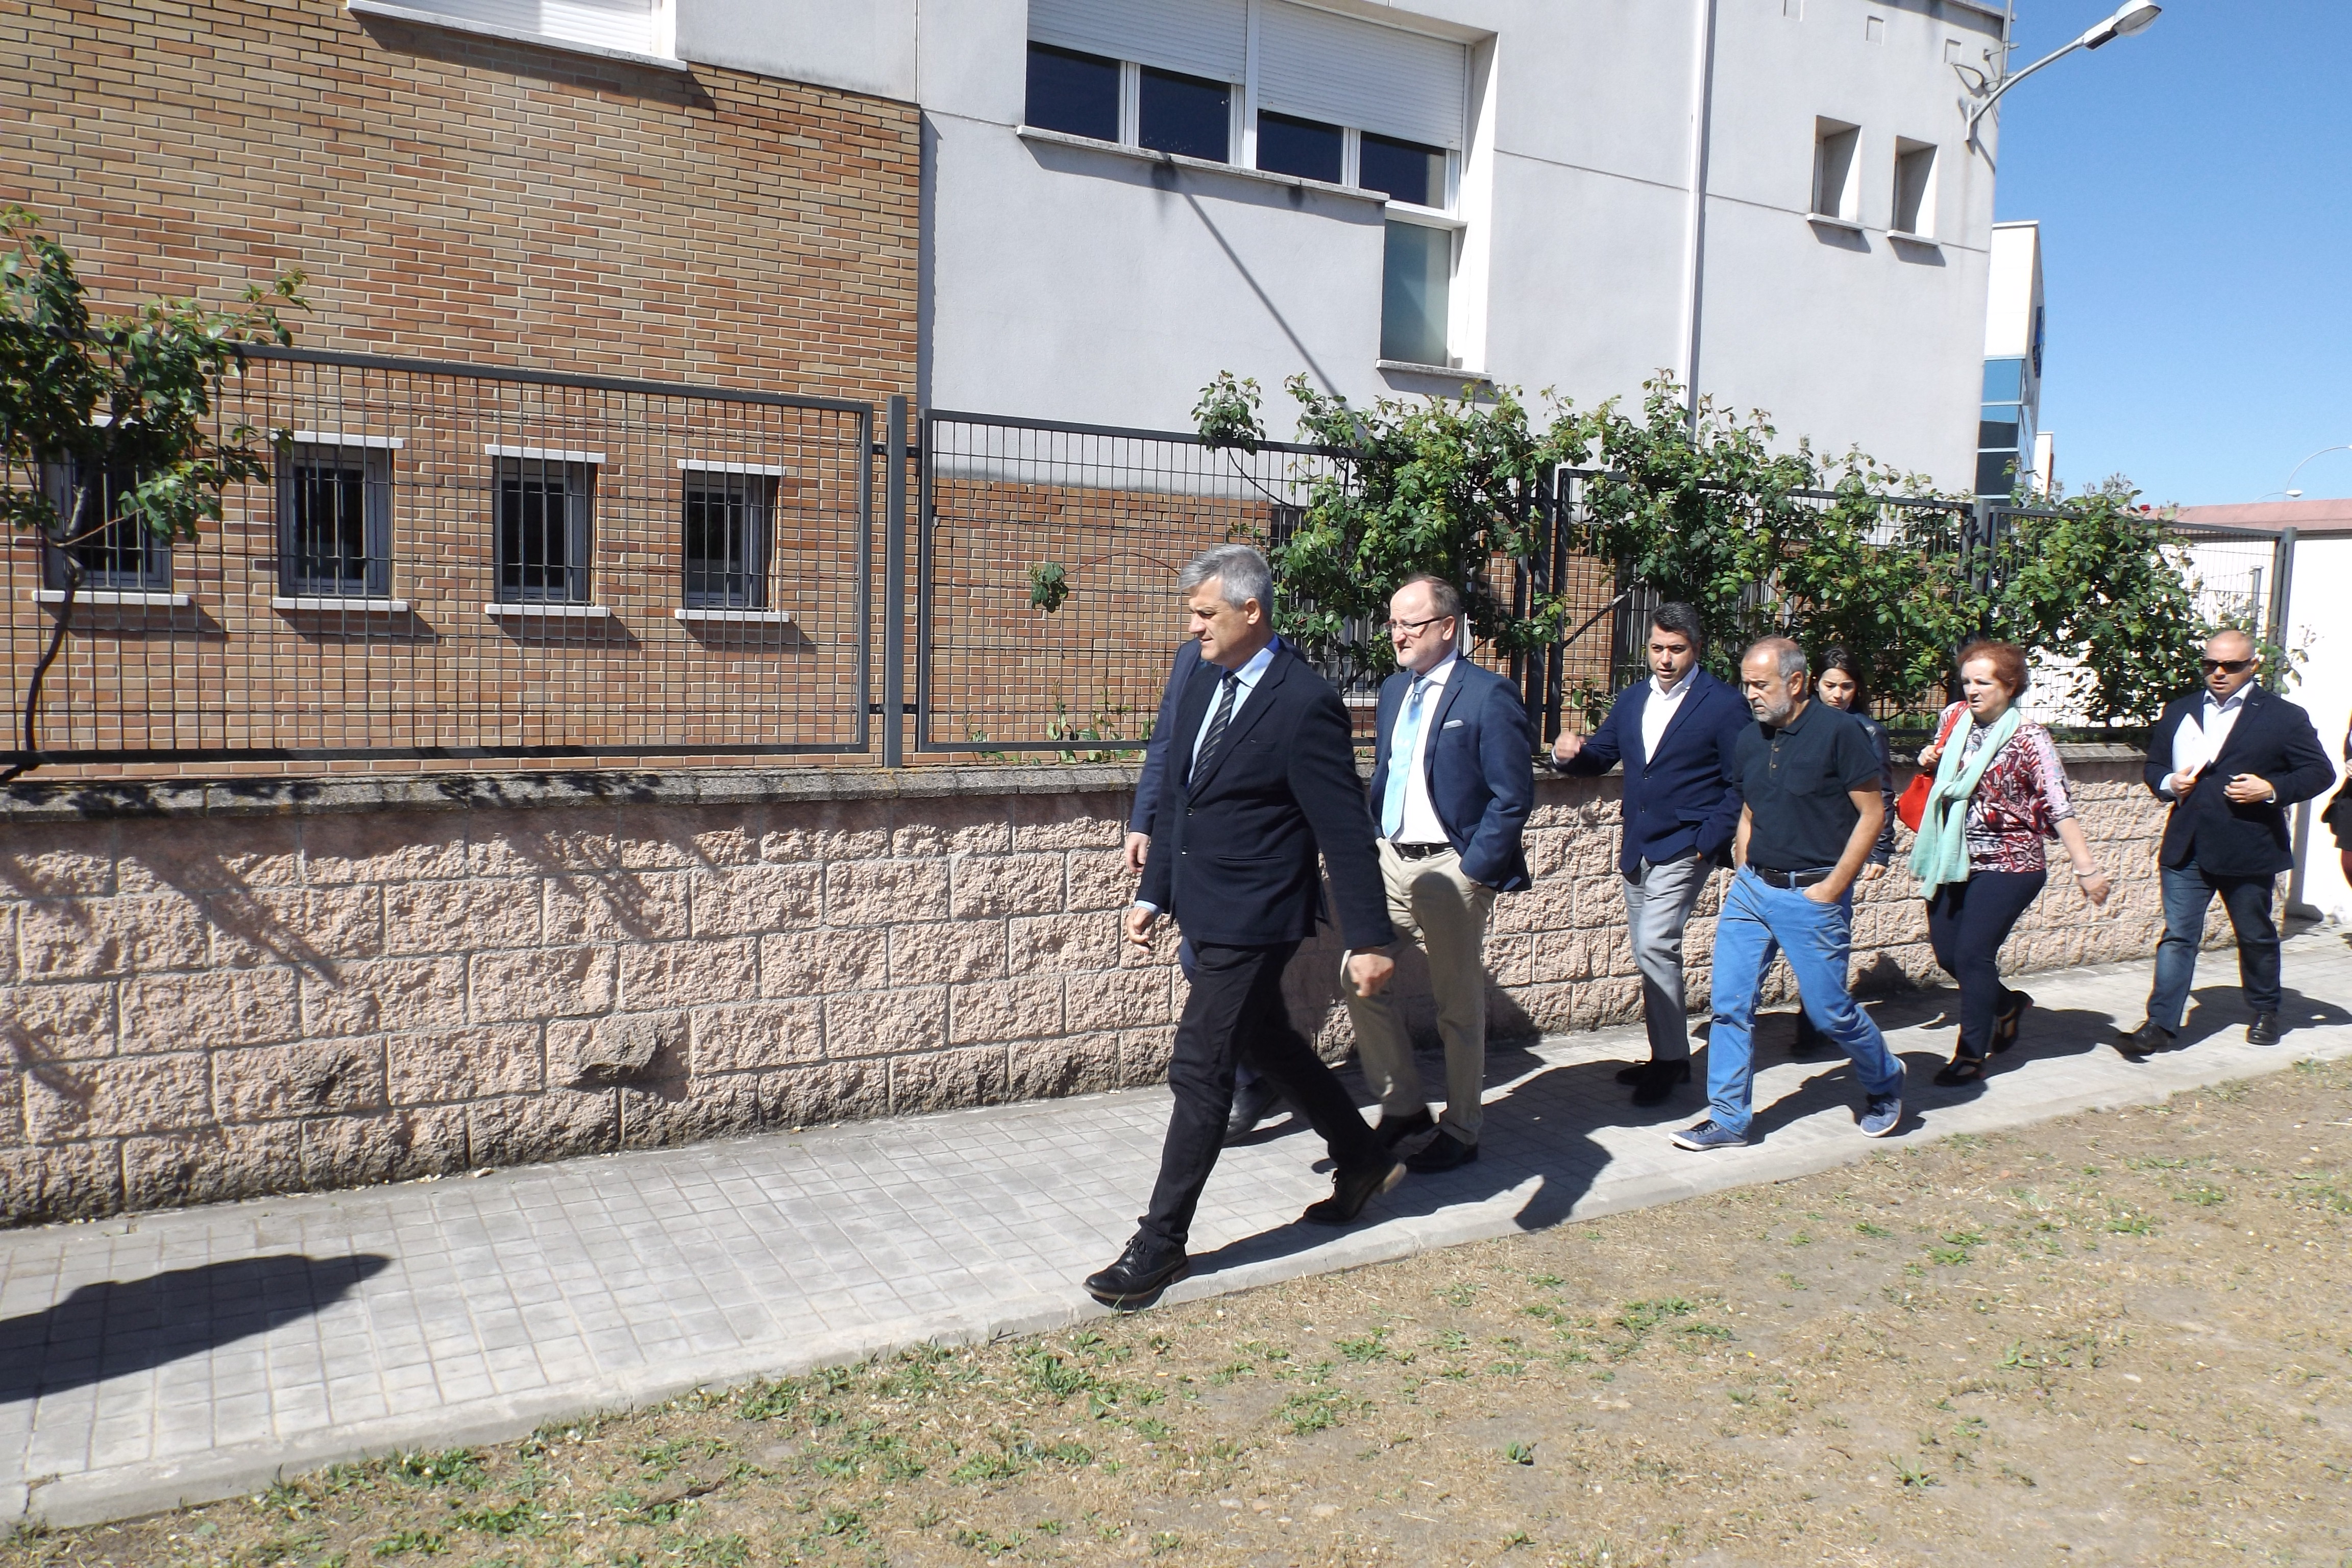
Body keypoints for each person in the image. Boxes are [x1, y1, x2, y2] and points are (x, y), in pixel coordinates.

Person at [1086, 545, 1404, 1309]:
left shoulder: (1305, 702)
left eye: (1205, 614)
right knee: (1268, 1041)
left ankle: (1160, 1244)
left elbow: (1344, 832)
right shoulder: (1203, 677)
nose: (1193, 627)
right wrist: (1154, 894)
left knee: (1200, 1068)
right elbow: (1183, 796)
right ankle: (1362, 1156)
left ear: (1250, 610)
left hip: (1258, 915)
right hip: (1203, 902)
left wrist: (1371, 939)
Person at [1671, 637, 1906, 1151]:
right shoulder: (1749, 738)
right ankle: (1729, 1119)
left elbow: (1872, 814)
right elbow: (1750, 807)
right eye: (1746, 685)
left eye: (1761, 685)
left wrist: (1834, 886)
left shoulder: (1840, 733)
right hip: (1753, 892)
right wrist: (1743, 866)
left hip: (1812, 895)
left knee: (1828, 1012)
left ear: (1796, 683)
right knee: (1730, 1006)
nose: (1750, 695)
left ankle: (1885, 1078)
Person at [1340, 574, 1535, 1173]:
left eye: (1410, 624)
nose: (1397, 635)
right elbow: (1387, 773)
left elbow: (1512, 795)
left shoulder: (1488, 695)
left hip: (1452, 867)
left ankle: (1462, 1128)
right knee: (1358, 975)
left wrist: (1474, 871)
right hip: (1392, 860)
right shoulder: (1394, 690)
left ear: (1448, 627)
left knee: (1457, 1004)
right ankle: (1403, 1106)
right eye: (1393, 623)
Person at [1548, 602, 1747, 1107]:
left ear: (1696, 649)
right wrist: (1568, 755)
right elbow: (1601, 756)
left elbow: (1739, 783)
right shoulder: (1634, 698)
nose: (1665, 659)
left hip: (1685, 845)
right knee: (1646, 949)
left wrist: (1707, 842)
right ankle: (1667, 1057)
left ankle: (1672, 1061)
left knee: (1657, 944)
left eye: (1676, 649)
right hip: (1638, 843)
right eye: (1657, 648)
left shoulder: (1724, 705)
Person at [1909, 641, 2112, 1084]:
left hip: (2011, 862)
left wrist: (2087, 868)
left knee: (1973, 954)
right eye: (1967, 681)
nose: (1972, 690)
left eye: (1983, 682)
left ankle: (1970, 1055)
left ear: (2010, 685)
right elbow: (1945, 770)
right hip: (1952, 856)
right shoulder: (1953, 718)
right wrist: (1928, 757)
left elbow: (2058, 804)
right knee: (1949, 956)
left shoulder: (2030, 737)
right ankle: (2007, 1005)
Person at [2124, 628, 2334, 1055]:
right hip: (2187, 845)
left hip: (2248, 845)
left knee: (2254, 935)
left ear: (2253, 665)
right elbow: (2155, 766)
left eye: (2231, 665)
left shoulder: (2283, 717)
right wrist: (2169, 782)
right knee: (2178, 937)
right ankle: (2160, 1024)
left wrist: (2270, 789)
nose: (2219, 673)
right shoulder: (2181, 710)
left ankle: (2265, 1010)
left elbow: (2319, 772)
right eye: (2210, 664)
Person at [1126, 636, 1286, 1144]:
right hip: (1193, 847)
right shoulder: (1190, 658)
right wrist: (1144, 821)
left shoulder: (1286, 668)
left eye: (1207, 612)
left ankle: (1249, 1080)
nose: (1197, 625)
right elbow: (1167, 745)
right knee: (1205, 963)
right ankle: (1273, 1075)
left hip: (1249, 858)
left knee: (1207, 964)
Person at [1790, 647, 1896, 1056]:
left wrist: (1880, 850)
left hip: (1839, 851)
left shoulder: (1867, 732)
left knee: (1827, 941)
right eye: (1830, 685)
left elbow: (1881, 793)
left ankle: (1815, 1025)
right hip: (1793, 845)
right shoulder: (1795, 723)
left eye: (1847, 687)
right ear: (1814, 683)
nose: (1837, 695)